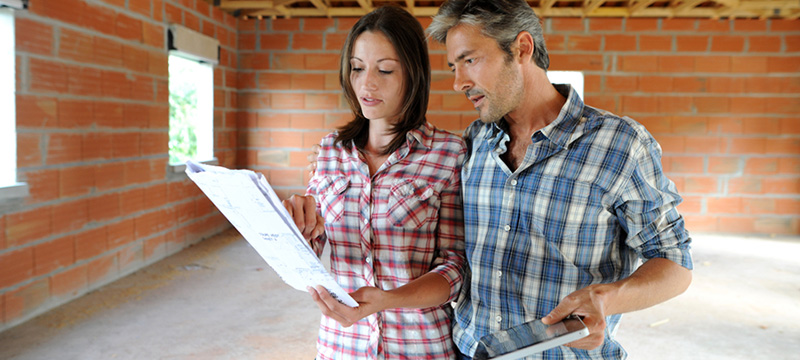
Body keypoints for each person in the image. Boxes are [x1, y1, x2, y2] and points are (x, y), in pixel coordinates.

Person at [424, 1, 694, 359]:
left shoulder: (620, 144)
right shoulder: (474, 143)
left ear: (521, 48)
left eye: (470, 60)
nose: (459, 82)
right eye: (454, 67)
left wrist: (608, 298)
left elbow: (674, 262)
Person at [281, 5, 467, 360]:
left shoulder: (448, 154)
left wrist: (389, 300)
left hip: (418, 346)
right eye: (357, 68)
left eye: (384, 70)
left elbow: (455, 267)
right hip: (342, 343)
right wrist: (299, 230)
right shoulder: (330, 151)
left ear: (413, 74)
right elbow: (316, 246)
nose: (367, 84)